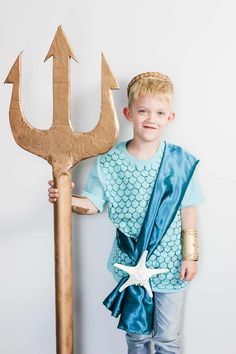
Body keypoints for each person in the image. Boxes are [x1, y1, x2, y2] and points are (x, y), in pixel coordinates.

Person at [48, 71, 201, 354]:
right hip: (129, 261)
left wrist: (190, 255)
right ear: (128, 113)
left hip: (170, 263)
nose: (150, 119)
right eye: (143, 111)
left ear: (170, 118)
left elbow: (188, 209)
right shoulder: (110, 160)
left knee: (168, 338)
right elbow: (92, 204)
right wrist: (66, 197)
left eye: (159, 112)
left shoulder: (178, 161)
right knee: (137, 336)